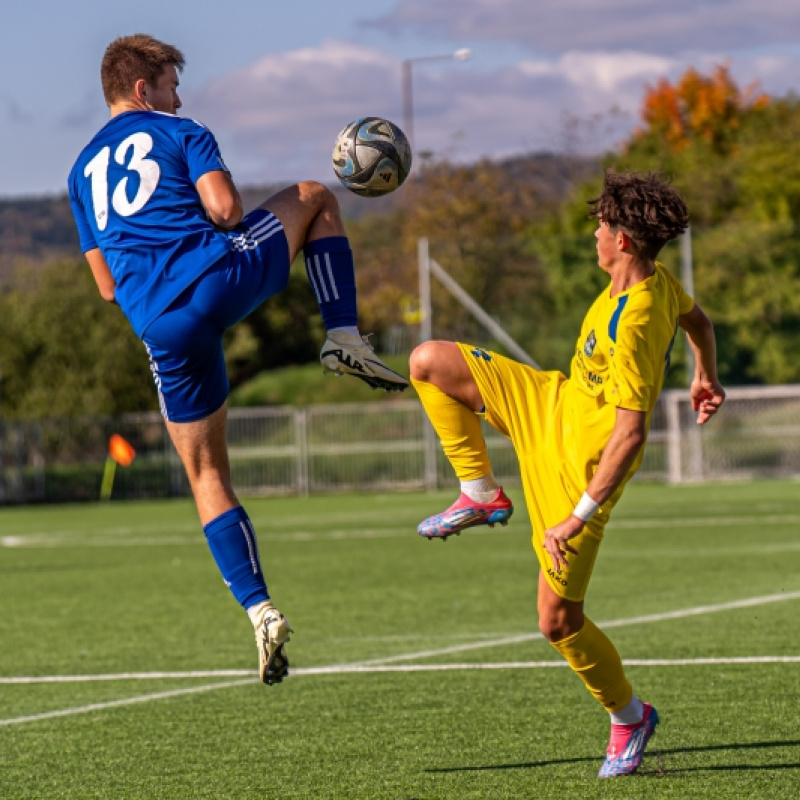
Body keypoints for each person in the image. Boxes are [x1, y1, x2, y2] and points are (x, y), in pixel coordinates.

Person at [67, 34, 409, 687]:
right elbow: (225, 211)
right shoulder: (180, 129)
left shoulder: (80, 170)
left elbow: (106, 286)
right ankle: (344, 336)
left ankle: (259, 609)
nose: (179, 96)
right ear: (144, 89)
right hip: (214, 277)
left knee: (206, 474)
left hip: (160, 327)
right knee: (315, 196)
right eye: (170, 84)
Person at [410, 170, 725, 777]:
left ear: (624, 242)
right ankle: (480, 493)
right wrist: (704, 374)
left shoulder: (632, 322)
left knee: (556, 622)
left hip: (576, 476)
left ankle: (629, 715)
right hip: (549, 404)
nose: (597, 237)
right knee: (429, 361)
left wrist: (577, 515)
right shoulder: (656, 280)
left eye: (603, 228)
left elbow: (632, 434)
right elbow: (700, 323)